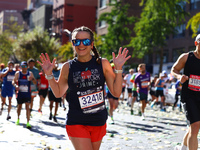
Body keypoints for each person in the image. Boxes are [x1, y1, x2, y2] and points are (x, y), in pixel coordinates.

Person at [37, 26, 130, 150]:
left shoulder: (103, 64)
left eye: (85, 41)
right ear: (73, 44)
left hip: (98, 120)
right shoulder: (67, 67)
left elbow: (116, 92)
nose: (81, 44)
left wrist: (118, 69)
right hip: (76, 121)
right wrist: (49, 74)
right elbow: (59, 93)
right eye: (77, 41)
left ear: (91, 44)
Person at [171, 34, 200, 150]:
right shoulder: (186, 57)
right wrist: (179, 77)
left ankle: (182, 148)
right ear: (196, 43)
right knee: (196, 125)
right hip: (189, 96)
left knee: (194, 127)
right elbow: (174, 69)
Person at [12, 61, 36, 128]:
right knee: (19, 106)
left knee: (27, 107)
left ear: (27, 67)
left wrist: (32, 79)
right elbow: (13, 81)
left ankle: (28, 122)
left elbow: (35, 82)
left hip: (27, 93)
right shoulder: (18, 73)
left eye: (25, 66)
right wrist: (15, 85)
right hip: (20, 93)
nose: (24, 68)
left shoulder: (30, 73)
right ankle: (18, 118)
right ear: (21, 67)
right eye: (22, 66)